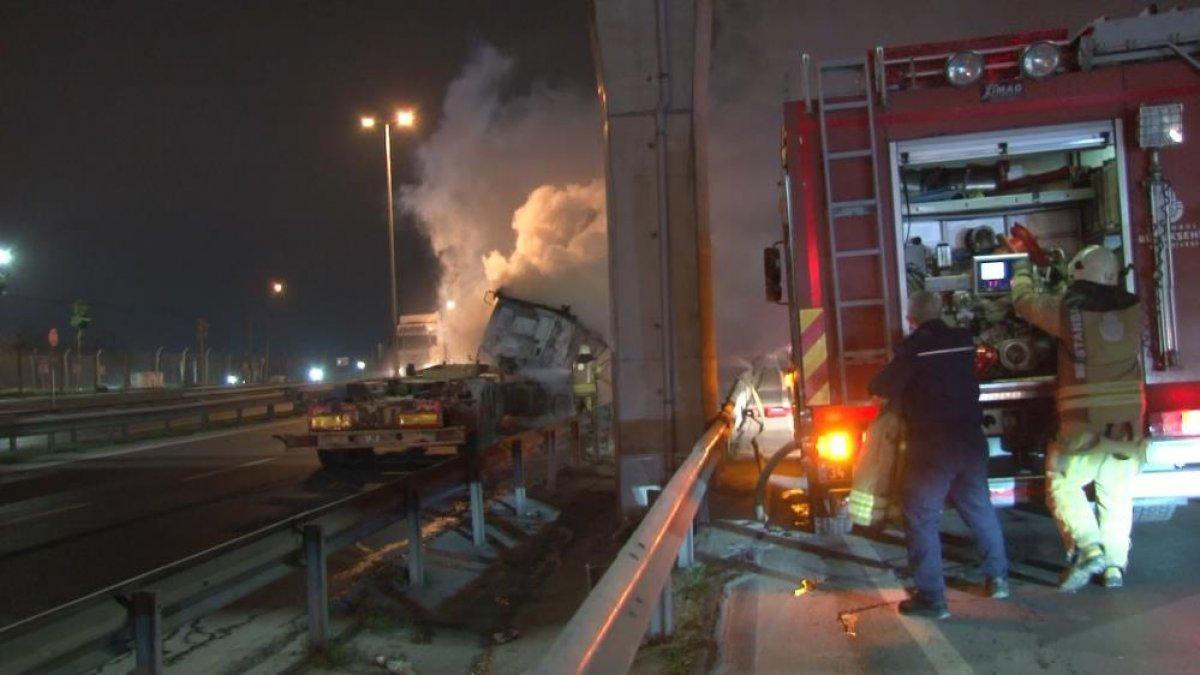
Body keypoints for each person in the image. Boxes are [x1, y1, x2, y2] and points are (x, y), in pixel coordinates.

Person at [869, 290, 1009, 619]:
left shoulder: (915, 348)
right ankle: (999, 578)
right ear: (942, 310)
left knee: (920, 516)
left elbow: (881, 386)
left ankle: (932, 598)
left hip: (933, 447)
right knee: (979, 508)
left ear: (910, 318)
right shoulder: (963, 340)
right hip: (971, 441)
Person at [1012, 245, 1144, 591]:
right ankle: (1115, 567)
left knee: (1063, 483)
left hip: (1083, 422)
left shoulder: (1067, 312)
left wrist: (1023, 267)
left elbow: (1024, 303)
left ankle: (1087, 547)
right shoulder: (1135, 309)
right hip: (1129, 424)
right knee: (1116, 493)